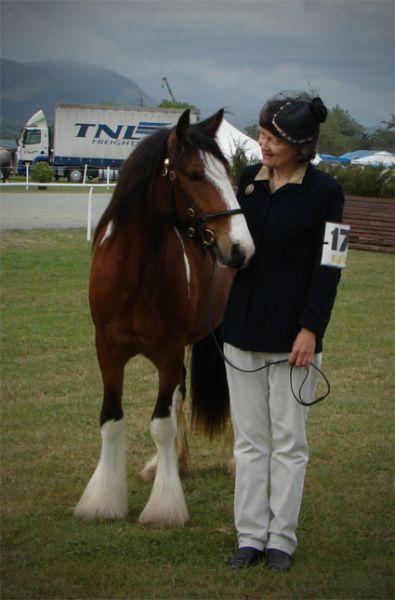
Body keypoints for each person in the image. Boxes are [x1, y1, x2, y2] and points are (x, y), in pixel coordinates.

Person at [221, 94, 345, 572]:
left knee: (289, 443)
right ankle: (249, 537)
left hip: (296, 340)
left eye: (273, 139)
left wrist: (311, 328)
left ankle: (281, 541)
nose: (263, 145)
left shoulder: (327, 191)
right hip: (241, 332)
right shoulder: (245, 185)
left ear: (300, 146)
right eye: (262, 135)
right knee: (250, 443)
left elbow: (333, 264)